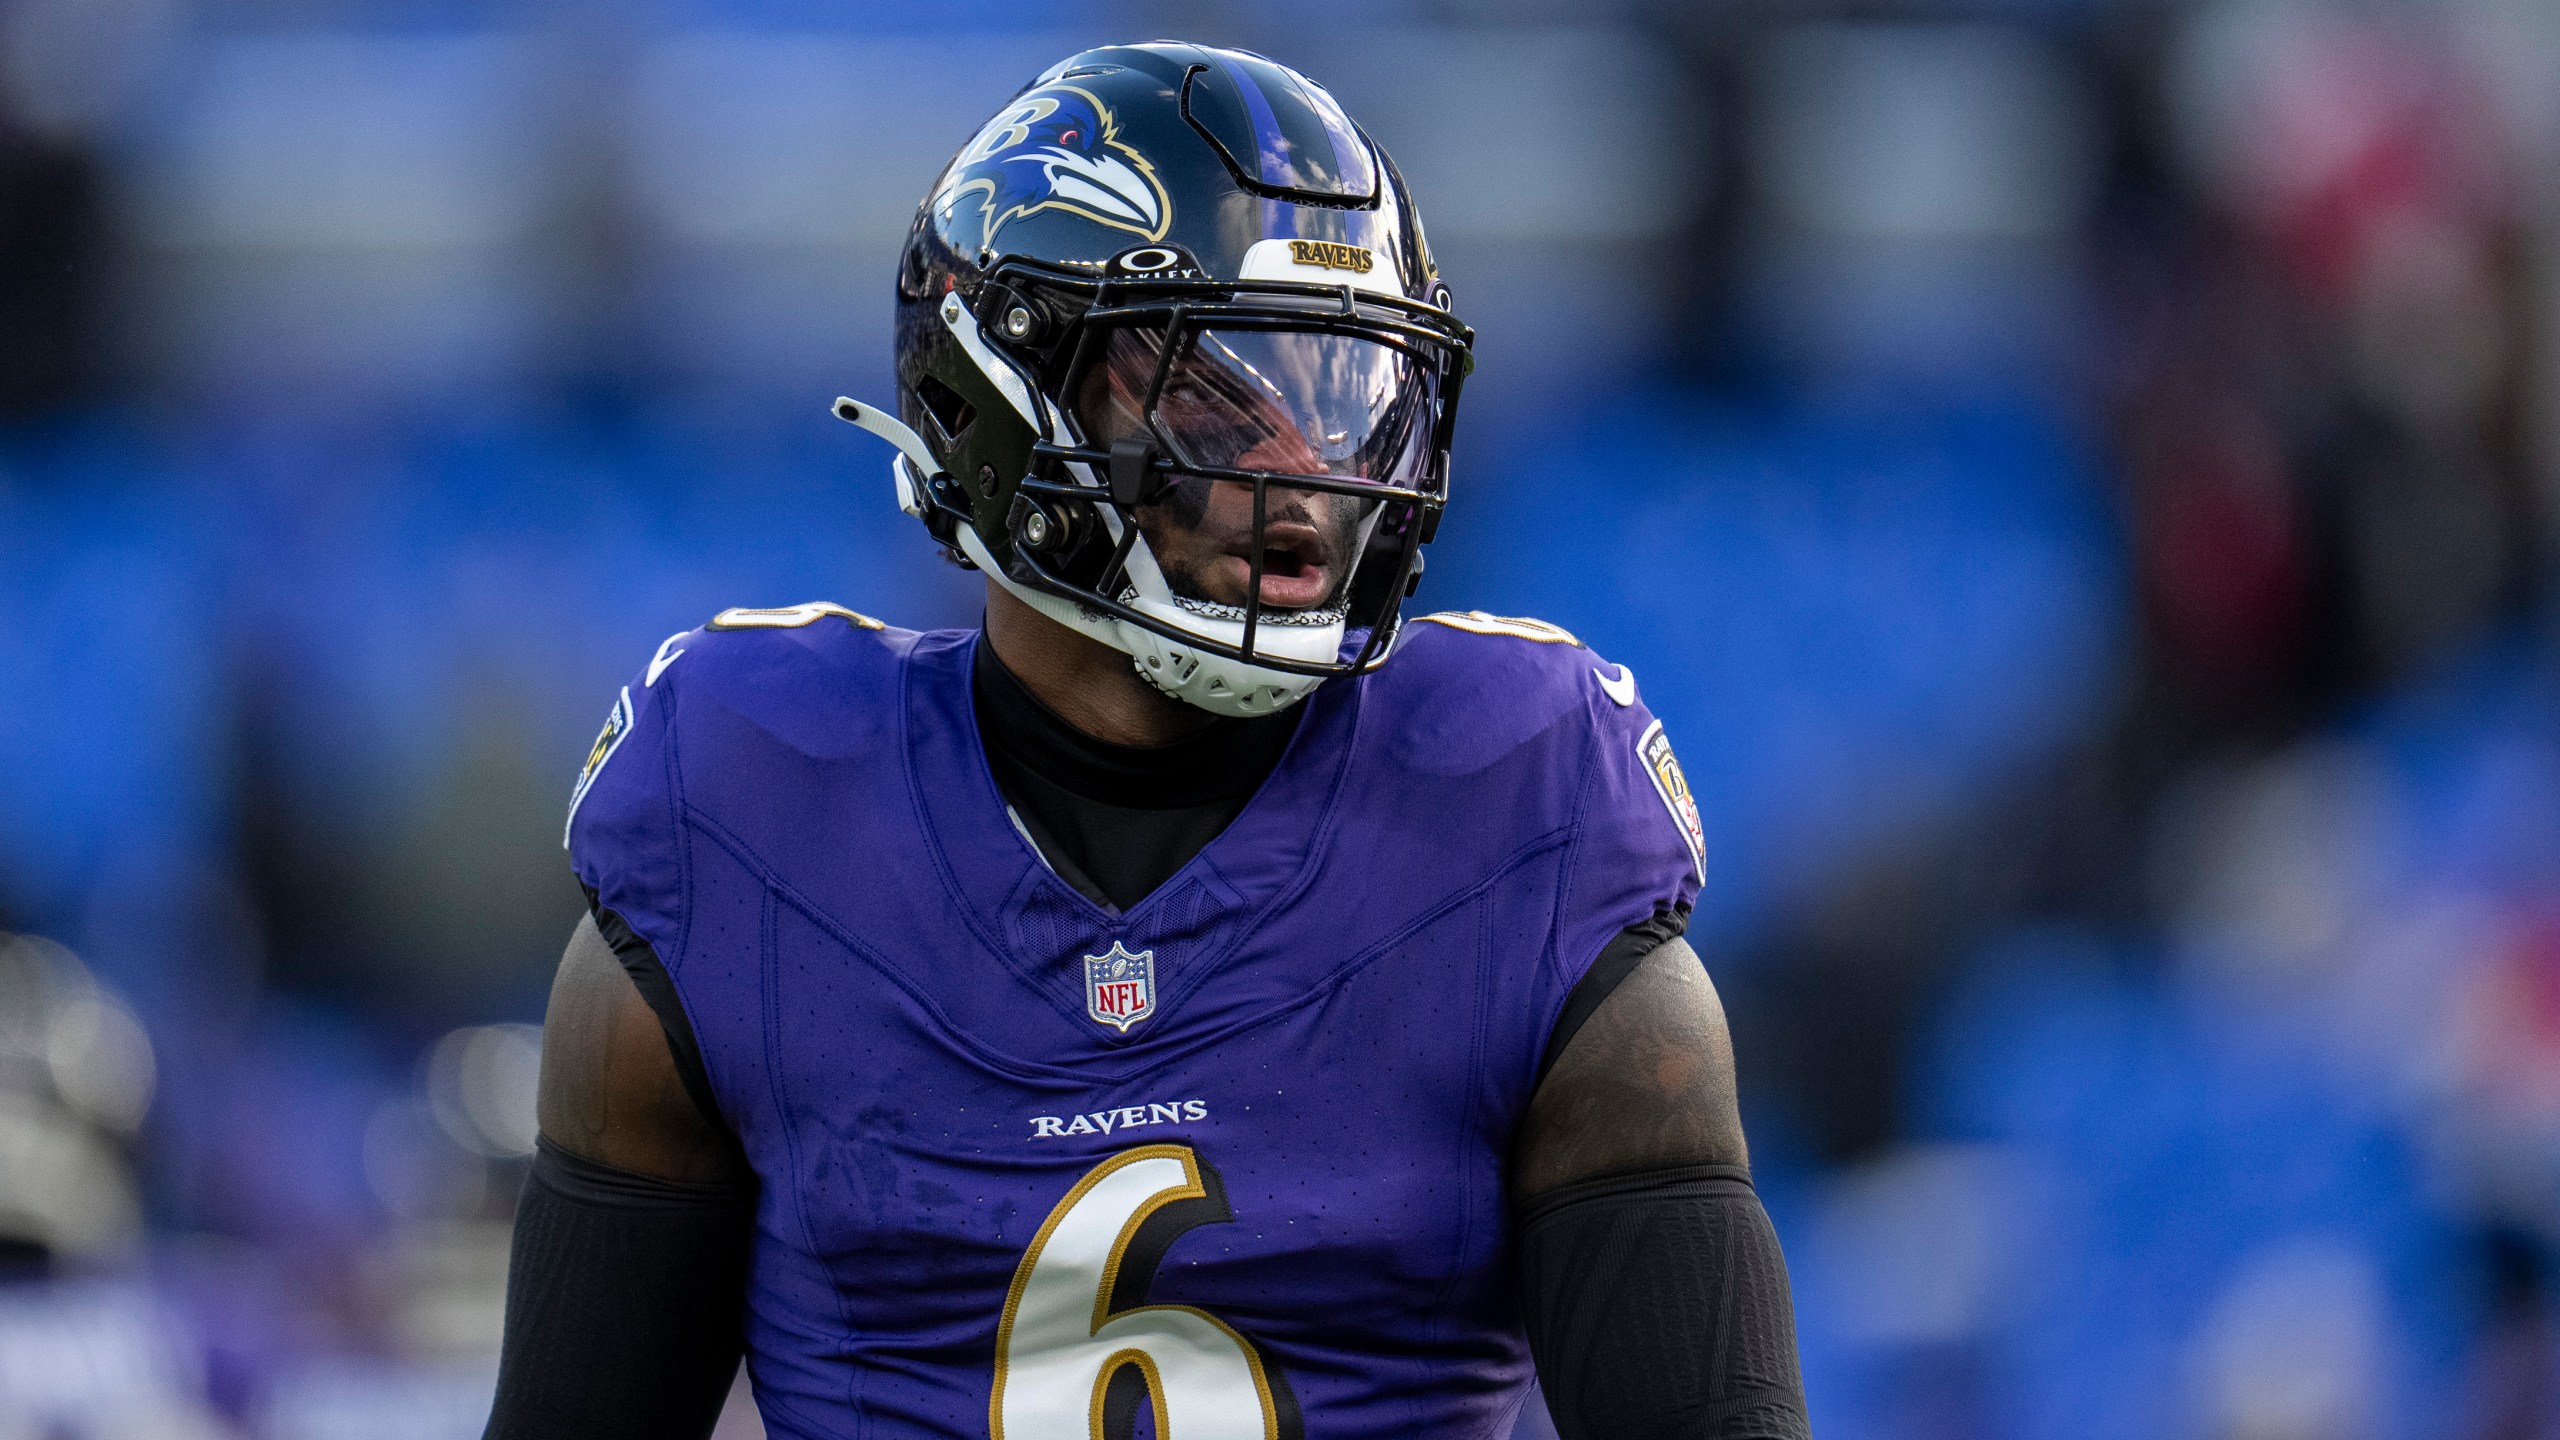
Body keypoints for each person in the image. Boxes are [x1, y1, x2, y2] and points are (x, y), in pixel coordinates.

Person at [484, 42, 1809, 1440]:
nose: (1305, 473)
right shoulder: (751, 814)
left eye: (1345, 392)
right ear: (996, 392)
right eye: (1211, 388)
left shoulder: (1520, 810)